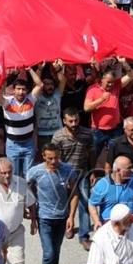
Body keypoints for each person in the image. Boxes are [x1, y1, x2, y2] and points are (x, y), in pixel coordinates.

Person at [26, 143, 79, 264]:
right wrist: (32, 215)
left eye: (56, 157)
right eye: (50, 158)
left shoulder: (67, 170)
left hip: (62, 218)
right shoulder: (35, 172)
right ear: (43, 156)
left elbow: (75, 193)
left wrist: (71, 216)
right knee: (48, 253)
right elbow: (25, 190)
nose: (54, 161)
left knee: (56, 252)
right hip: (45, 218)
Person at [52, 107, 96, 250]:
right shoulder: (58, 137)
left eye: (76, 120)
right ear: (64, 121)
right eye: (70, 121)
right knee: (65, 204)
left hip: (82, 173)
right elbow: (54, 158)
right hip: (65, 176)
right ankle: (68, 226)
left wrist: (92, 172)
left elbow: (90, 153)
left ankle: (84, 236)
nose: (74, 123)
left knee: (85, 203)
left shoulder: (87, 134)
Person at [0, 67, 43, 177]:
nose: (21, 92)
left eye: (23, 89)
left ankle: (27, 194)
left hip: (28, 144)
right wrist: (3, 78)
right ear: (13, 90)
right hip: (12, 145)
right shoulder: (7, 102)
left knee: (29, 175)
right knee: (14, 175)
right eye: (18, 89)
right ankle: (16, 195)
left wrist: (30, 69)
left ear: (27, 91)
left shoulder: (31, 100)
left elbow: (40, 85)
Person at [90, 155, 133, 227]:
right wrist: (96, 221)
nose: (132, 170)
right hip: (111, 226)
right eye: (129, 168)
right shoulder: (102, 184)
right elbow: (92, 204)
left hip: (131, 222)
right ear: (118, 170)